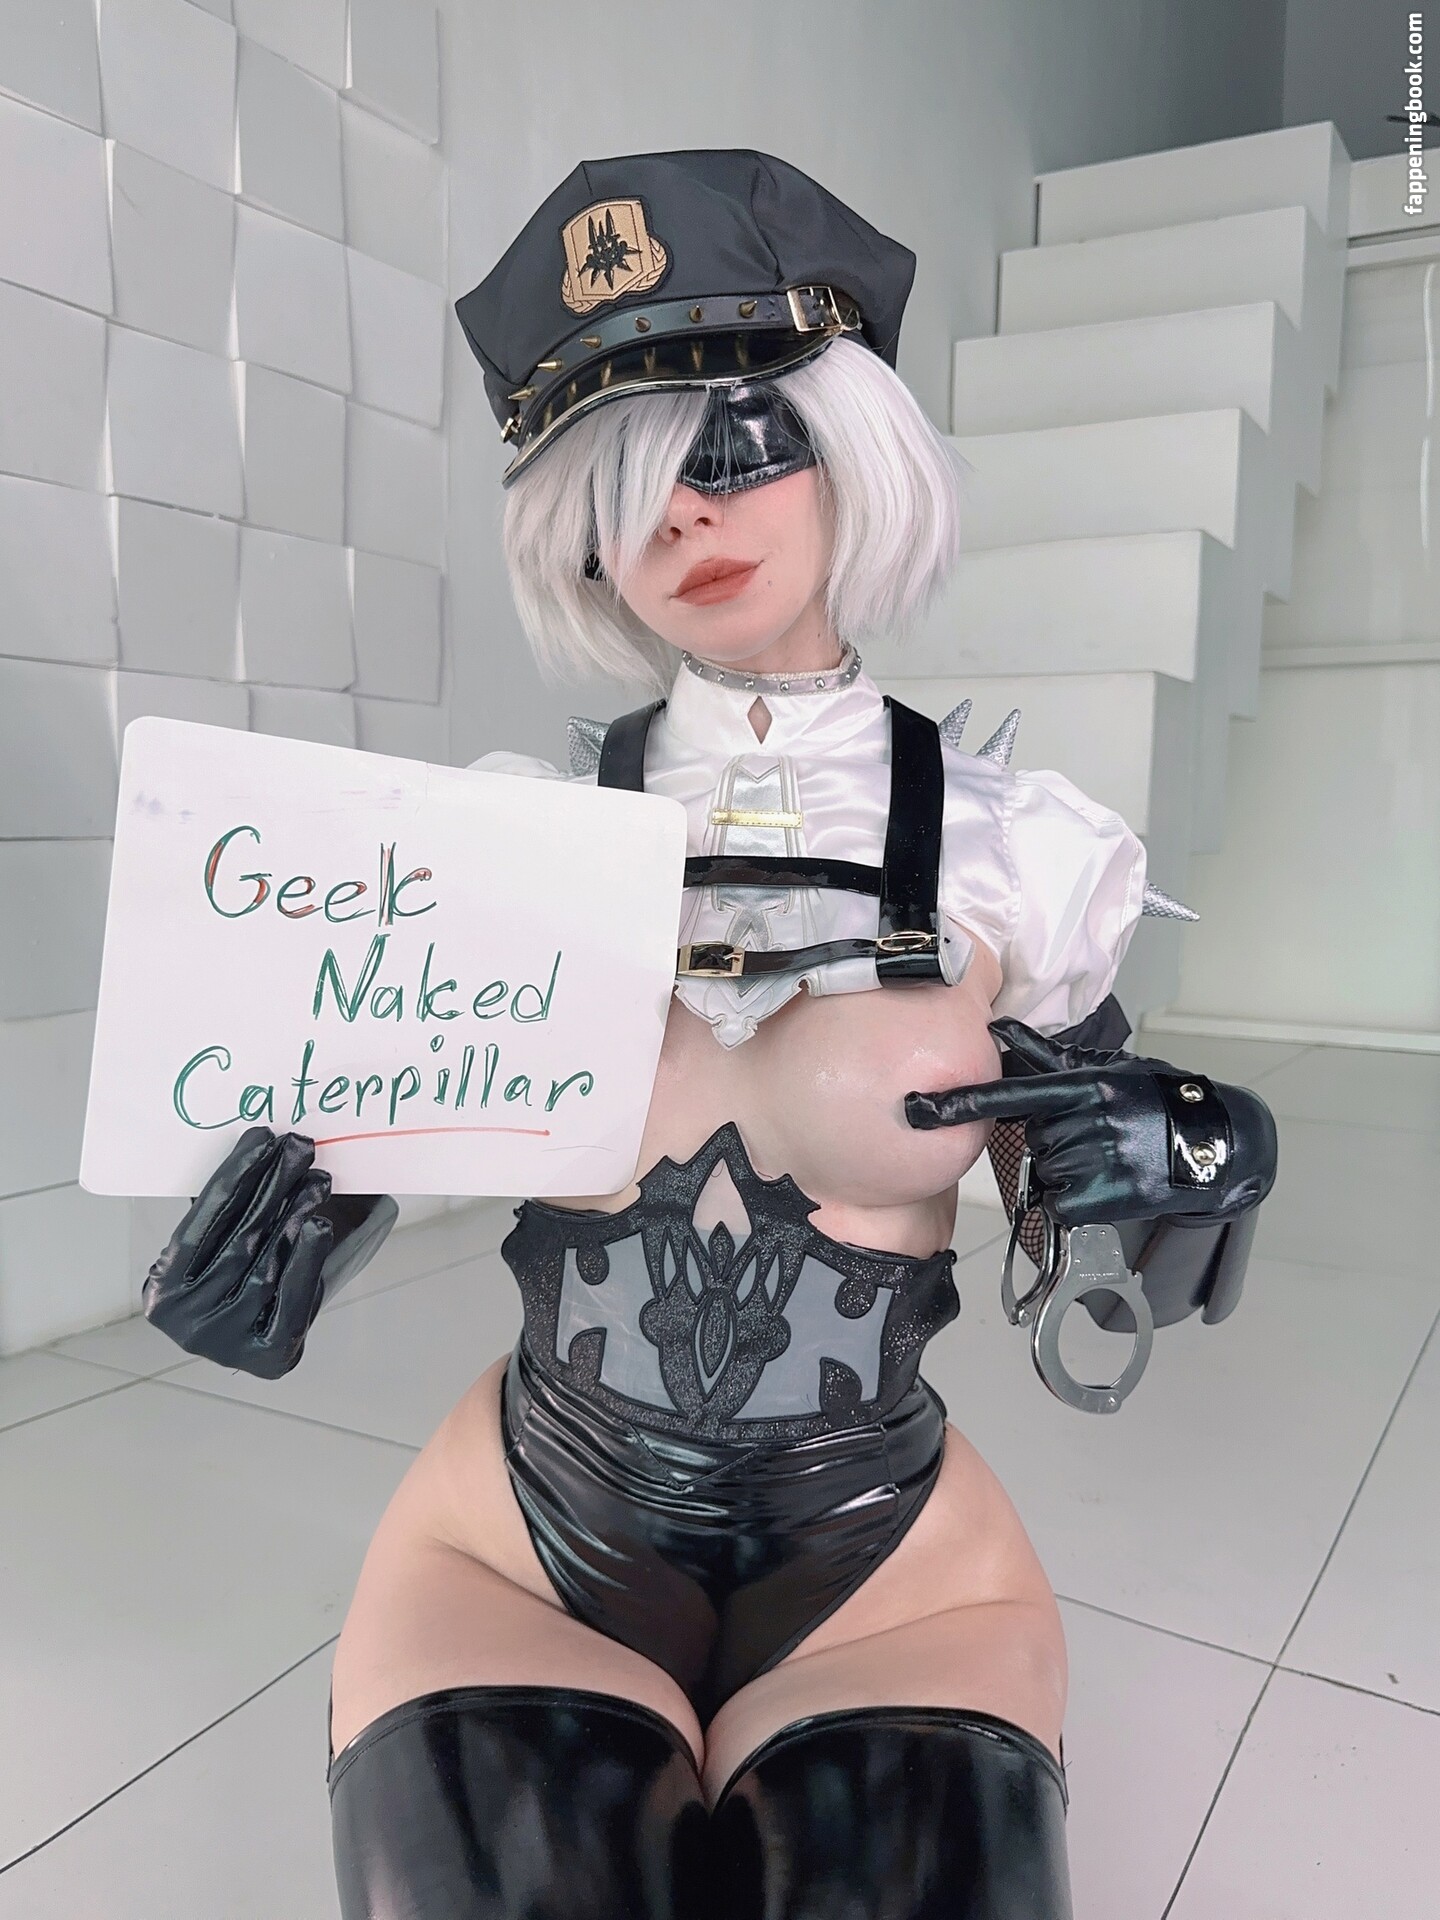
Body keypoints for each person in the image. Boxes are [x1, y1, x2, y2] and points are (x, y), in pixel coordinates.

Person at [142, 151, 1277, 1919]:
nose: (683, 516)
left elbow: (1128, 1244)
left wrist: (1209, 1156)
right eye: (623, 484)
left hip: (894, 1572)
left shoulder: (1019, 852)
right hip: (516, 1544)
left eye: (736, 445)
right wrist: (261, 1253)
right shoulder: (498, 842)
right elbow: (353, 1143)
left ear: (854, 450)